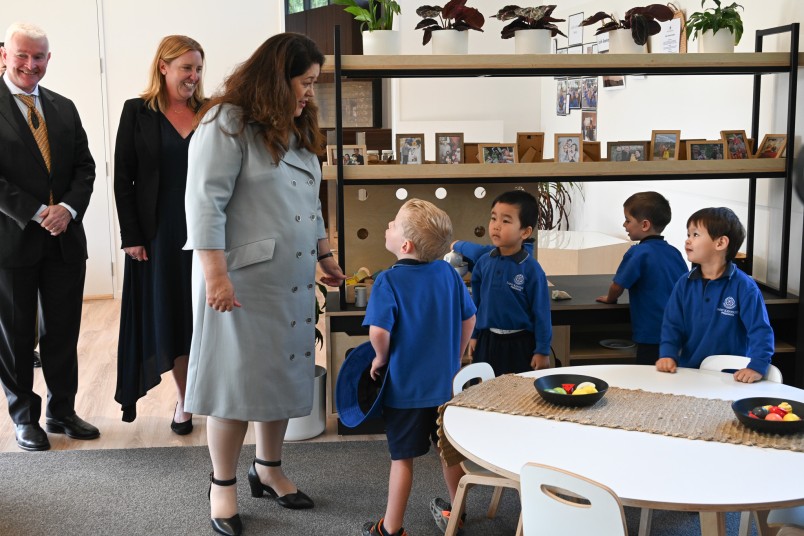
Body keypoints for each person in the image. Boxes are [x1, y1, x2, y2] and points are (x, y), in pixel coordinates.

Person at [183, 33, 346, 536]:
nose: (309, 94)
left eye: (313, 84)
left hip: (290, 279)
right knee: (235, 386)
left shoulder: (293, 127)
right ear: (278, 77)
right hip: (237, 281)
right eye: (305, 82)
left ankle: (268, 468)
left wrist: (325, 254)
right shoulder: (225, 122)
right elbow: (204, 205)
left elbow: (310, 200)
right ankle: (223, 485)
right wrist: (215, 277)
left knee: (282, 373)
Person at [0, 22, 97, 452]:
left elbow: (85, 168)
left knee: (62, 331)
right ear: (5, 54)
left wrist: (68, 210)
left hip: (64, 240)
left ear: (48, 59)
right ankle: (25, 417)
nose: (30, 64)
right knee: (17, 336)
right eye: (22, 55)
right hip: (13, 241)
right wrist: (39, 212)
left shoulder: (63, 107)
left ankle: (62, 411)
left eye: (38, 57)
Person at [361, 198, 476, 536]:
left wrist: (380, 358)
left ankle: (391, 528)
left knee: (403, 460)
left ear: (405, 244)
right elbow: (470, 318)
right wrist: (456, 355)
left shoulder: (388, 281)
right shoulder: (447, 273)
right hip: (445, 387)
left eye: (393, 224)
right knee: (449, 454)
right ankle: (457, 512)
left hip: (405, 391)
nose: (388, 227)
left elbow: (378, 331)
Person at [113, 35, 205, 432]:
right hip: (158, 234)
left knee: (203, 315)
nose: (194, 76)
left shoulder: (211, 112)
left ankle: (213, 396)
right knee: (173, 315)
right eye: (187, 68)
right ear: (163, 67)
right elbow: (123, 179)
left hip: (206, 228)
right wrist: (132, 235)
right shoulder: (137, 112)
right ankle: (185, 400)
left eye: (199, 68)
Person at [657, 207, 774, 383]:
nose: (688, 241)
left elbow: (760, 330)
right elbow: (672, 325)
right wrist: (668, 354)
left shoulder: (744, 287)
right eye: (688, 234)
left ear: (720, 243)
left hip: (732, 378)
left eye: (695, 235)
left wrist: (756, 366)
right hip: (689, 372)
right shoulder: (684, 283)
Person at [596, 192, 688, 365]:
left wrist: (610, 299)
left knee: (648, 374)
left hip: (652, 333)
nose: (624, 225)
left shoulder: (638, 252)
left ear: (645, 225)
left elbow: (618, 286)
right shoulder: (674, 252)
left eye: (628, 220)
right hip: (678, 330)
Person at [468, 190, 552, 376]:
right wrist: (474, 336)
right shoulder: (483, 262)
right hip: (487, 340)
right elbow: (477, 305)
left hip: (520, 344)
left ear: (525, 232)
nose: (496, 226)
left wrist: (542, 350)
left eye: (505, 221)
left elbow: (542, 313)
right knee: (484, 393)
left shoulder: (531, 269)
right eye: (493, 218)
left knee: (518, 396)